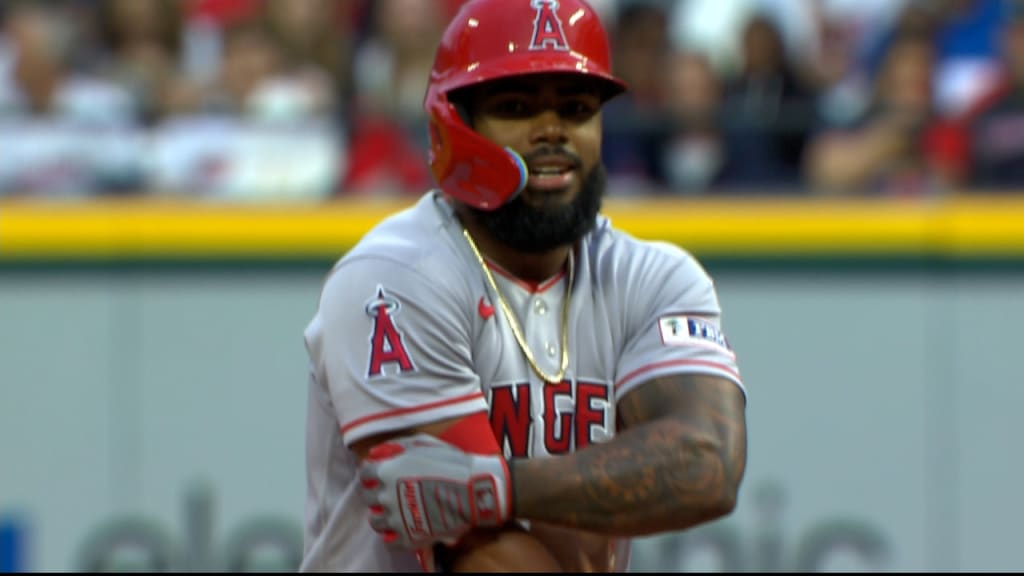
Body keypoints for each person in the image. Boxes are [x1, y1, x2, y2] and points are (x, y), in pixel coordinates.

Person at [301, 0, 748, 571]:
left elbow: (707, 464)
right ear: (455, 124)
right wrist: (498, 498)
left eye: (577, 108)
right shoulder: (395, 276)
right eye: (516, 107)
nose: (554, 131)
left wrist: (496, 486)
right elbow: (485, 556)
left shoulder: (652, 276)